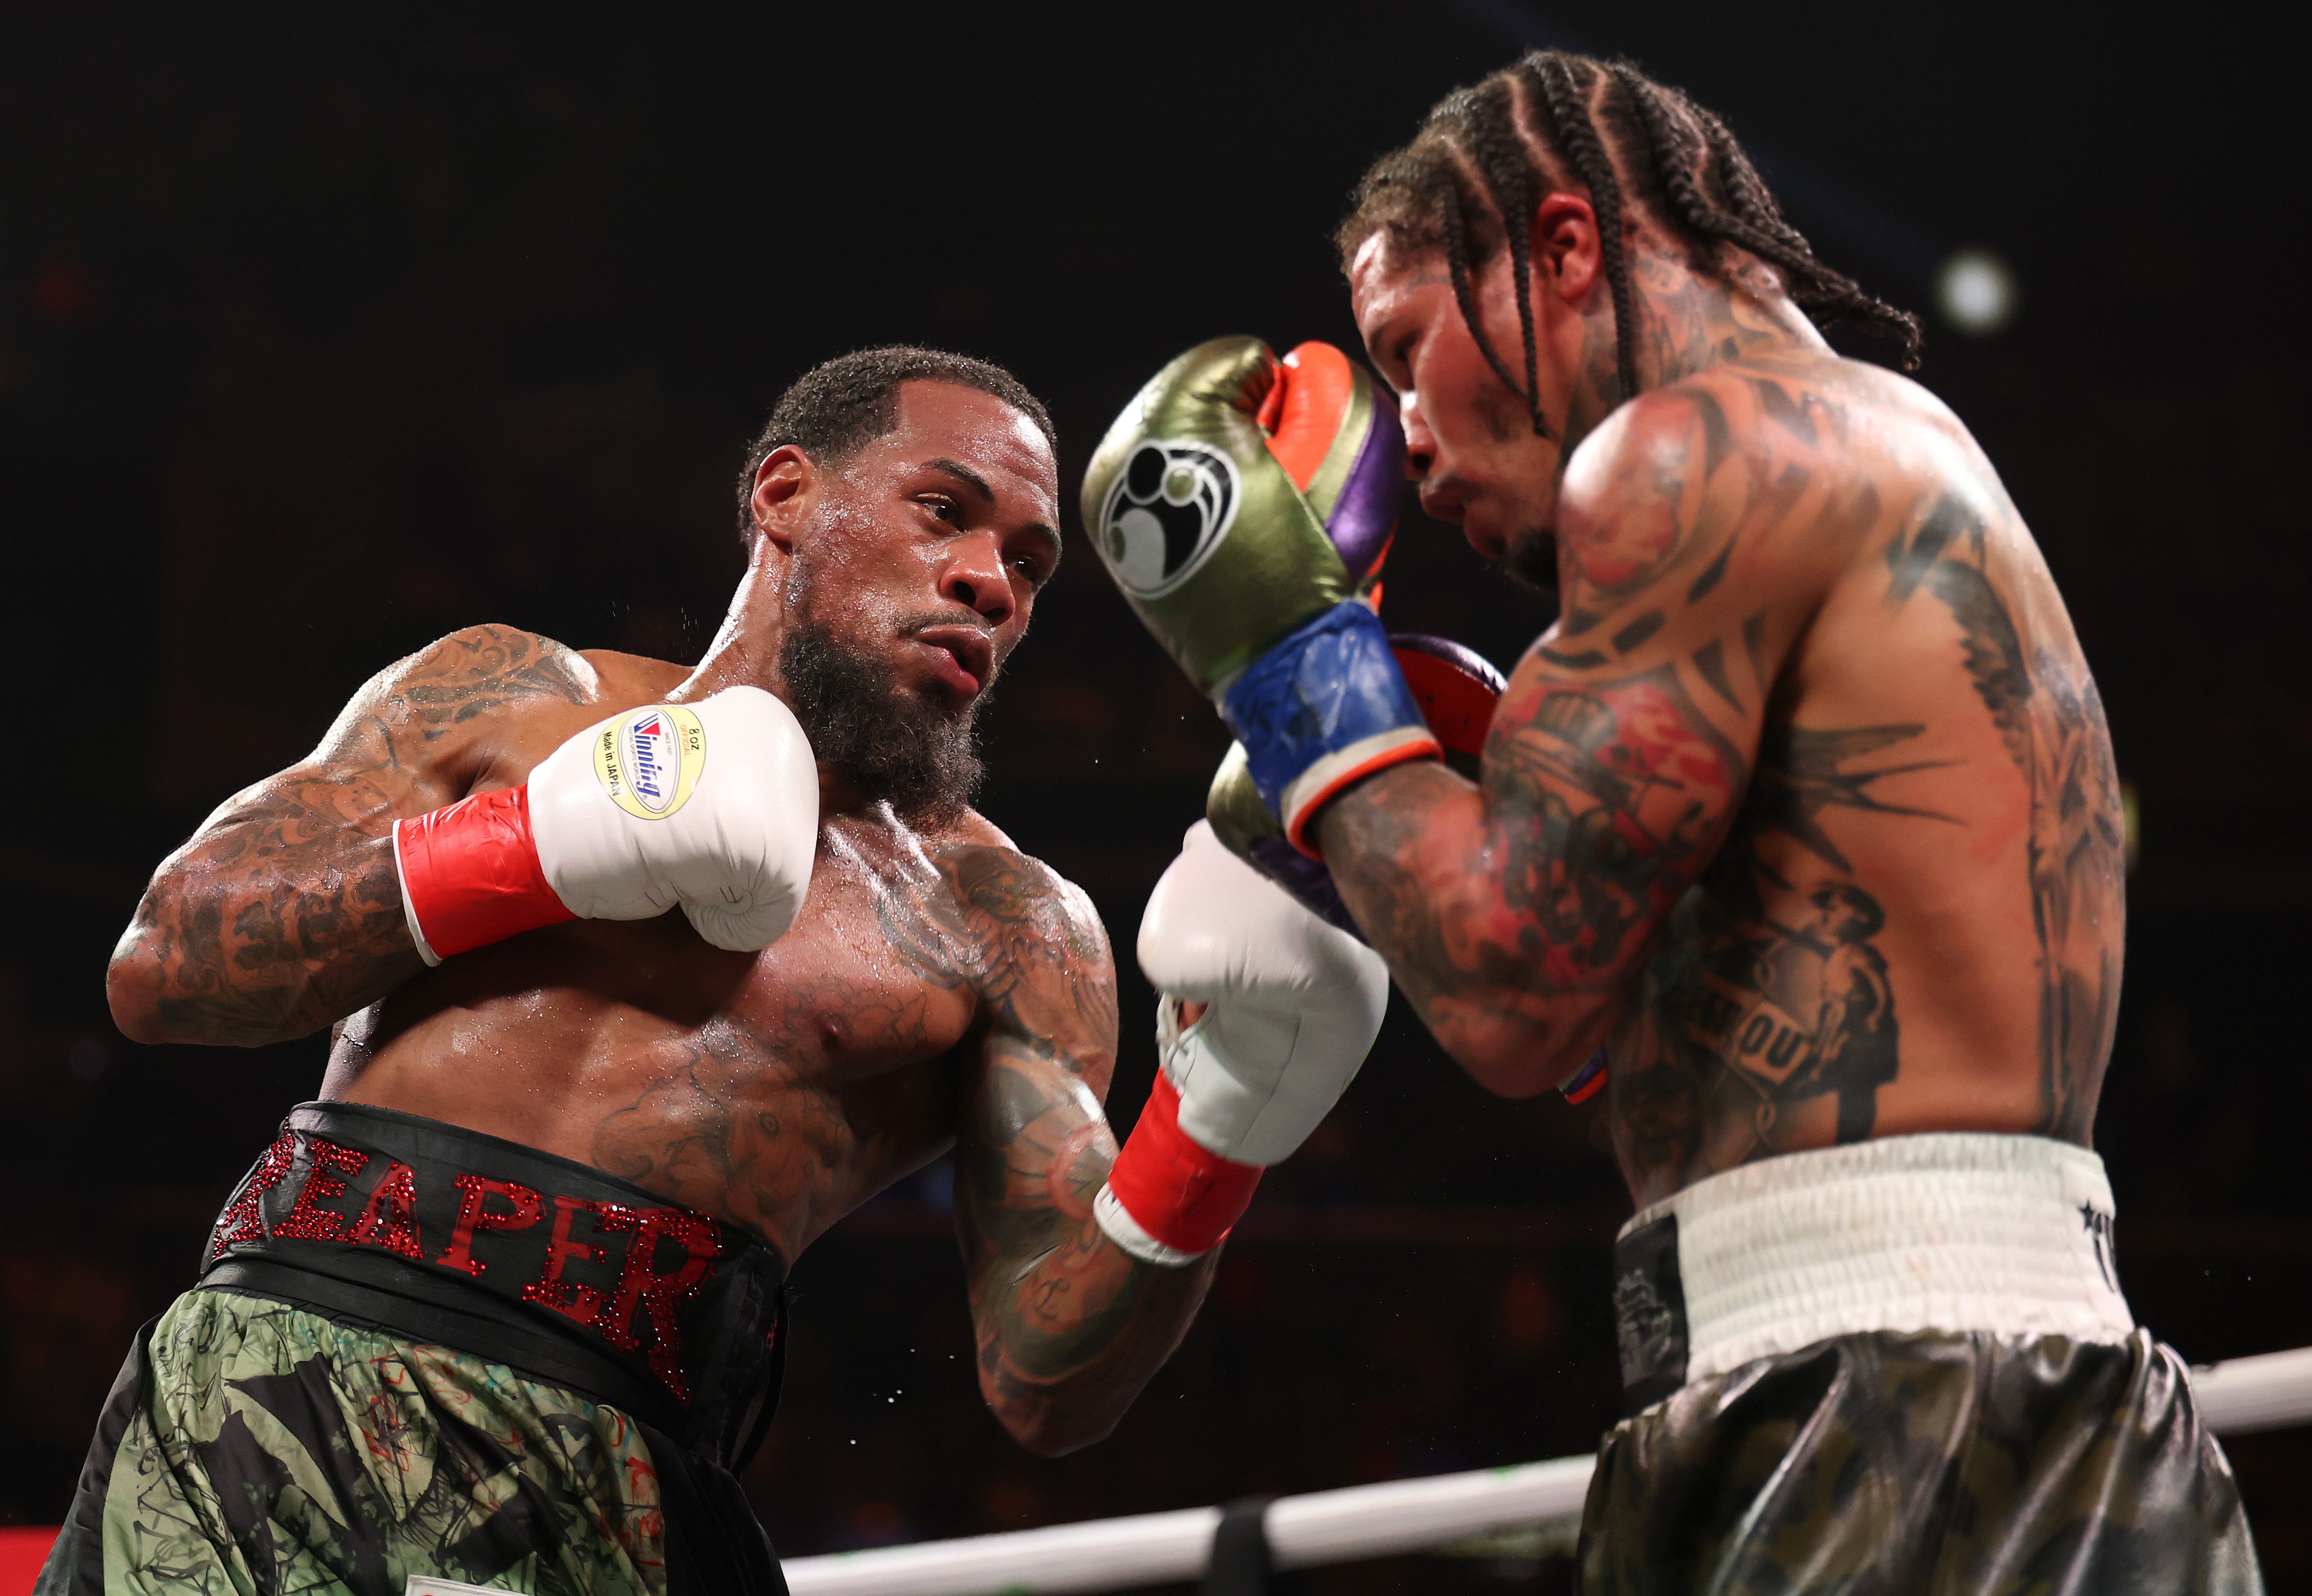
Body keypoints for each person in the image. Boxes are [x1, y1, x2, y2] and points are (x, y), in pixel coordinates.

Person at [1080, 50, 2262, 1593]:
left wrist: (1283, 657)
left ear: (1561, 250)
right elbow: (1704, 1039)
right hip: (1936, 1384)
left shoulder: (1698, 450)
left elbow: (1507, 986)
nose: (1402, 430)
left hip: (1887, 1403)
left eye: (1404, 346)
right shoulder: (1858, 449)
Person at [54, 347, 1387, 1596]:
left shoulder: (1007, 924)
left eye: (1031, 561)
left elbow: (1048, 1380)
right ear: (785, 494)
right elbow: (166, 965)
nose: (995, 581)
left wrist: (1213, 1130)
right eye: (945, 511)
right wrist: (536, 845)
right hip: (268, 1380)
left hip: (611, 1473)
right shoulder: (508, 694)